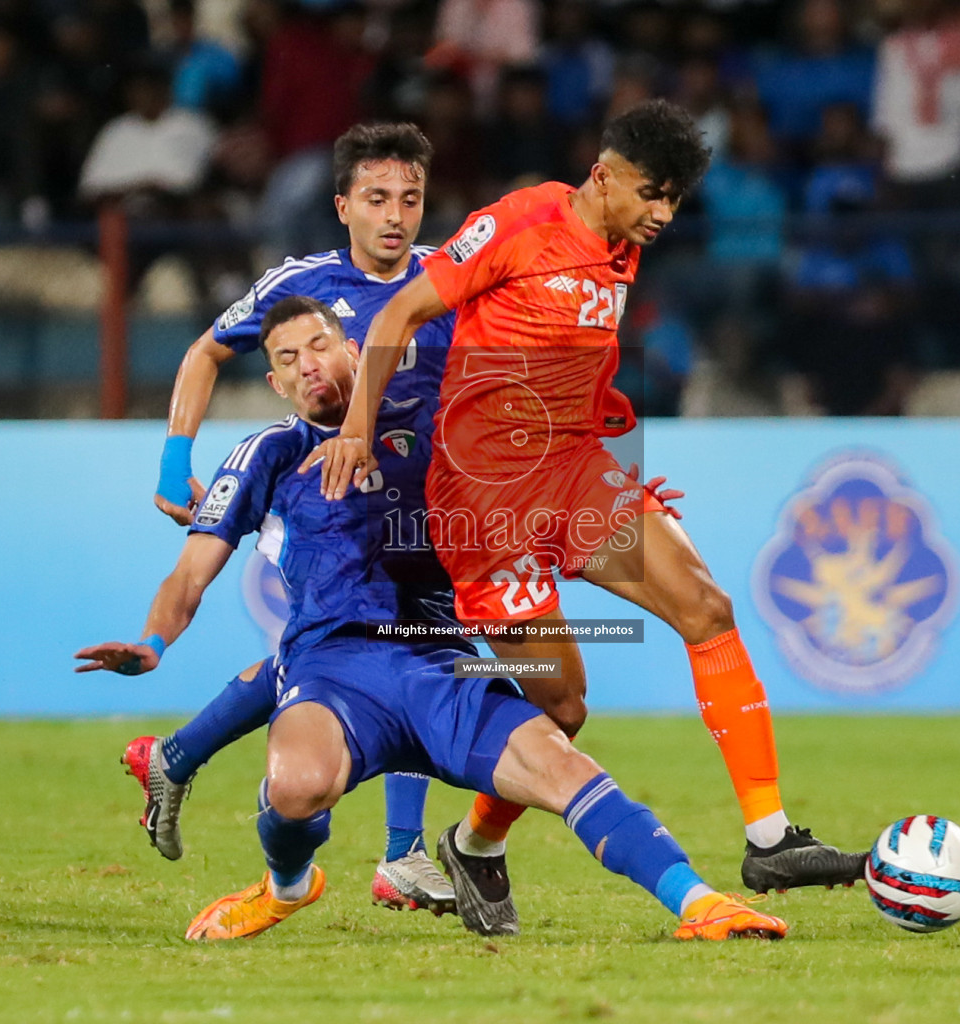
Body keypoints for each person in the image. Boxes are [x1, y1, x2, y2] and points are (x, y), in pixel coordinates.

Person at [305, 99, 865, 936]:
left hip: (573, 473)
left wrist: (614, 437)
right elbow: (398, 313)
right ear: (603, 176)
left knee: (706, 607)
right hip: (486, 499)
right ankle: (473, 845)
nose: (664, 215)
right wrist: (355, 432)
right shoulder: (518, 223)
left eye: (675, 199)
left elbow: (578, 353)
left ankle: (770, 838)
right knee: (561, 707)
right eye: (652, 194)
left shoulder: (620, 244)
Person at [77, 297, 787, 944]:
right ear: (275, 384)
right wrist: (152, 642)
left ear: (355, 349)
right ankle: (287, 887)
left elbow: (544, 467)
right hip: (334, 668)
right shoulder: (269, 453)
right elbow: (190, 572)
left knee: (562, 758)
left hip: (442, 659)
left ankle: (699, 904)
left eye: (319, 345)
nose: (308, 366)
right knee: (296, 785)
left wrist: (609, 492)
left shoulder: (440, 424)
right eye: (287, 360)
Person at [128, 122, 608, 921]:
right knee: (379, 643)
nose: (396, 216)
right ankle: (401, 854)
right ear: (343, 204)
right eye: (378, 199)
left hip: (436, 501)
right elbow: (207, 351)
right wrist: (176, 460)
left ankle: (178, 756)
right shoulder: (305, 287)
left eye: (411, 199)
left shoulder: (451, 281)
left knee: (380, 653)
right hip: (340, 491)